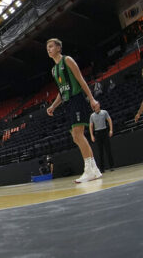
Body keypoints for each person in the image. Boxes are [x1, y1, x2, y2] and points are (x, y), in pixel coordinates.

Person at [45, 38, 101, 183]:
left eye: (51, 46)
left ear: (58, 47)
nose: (49, 49)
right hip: (67, 103)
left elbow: (81, 79)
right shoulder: (53, 70)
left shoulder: (67, 60)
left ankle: (89, 169)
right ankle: (94, 169)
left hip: (77, 99)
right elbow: (61, 92)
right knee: (76, 137)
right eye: (47, 47)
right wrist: (53, 106)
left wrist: (92, 98)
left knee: (78, 135)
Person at [89, 101, 114, 172]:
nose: (95, 106)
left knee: (108, 150)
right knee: (100, 152)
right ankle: (102, 168)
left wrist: (111, 130)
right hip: (97, 133)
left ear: (99, 105)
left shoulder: (104, 112)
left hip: (104, 131)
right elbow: (91, 126)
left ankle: (111, 166)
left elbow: (109, 120)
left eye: (96, 105)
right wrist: (91, 135)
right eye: (94, 105)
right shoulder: (92, 115)